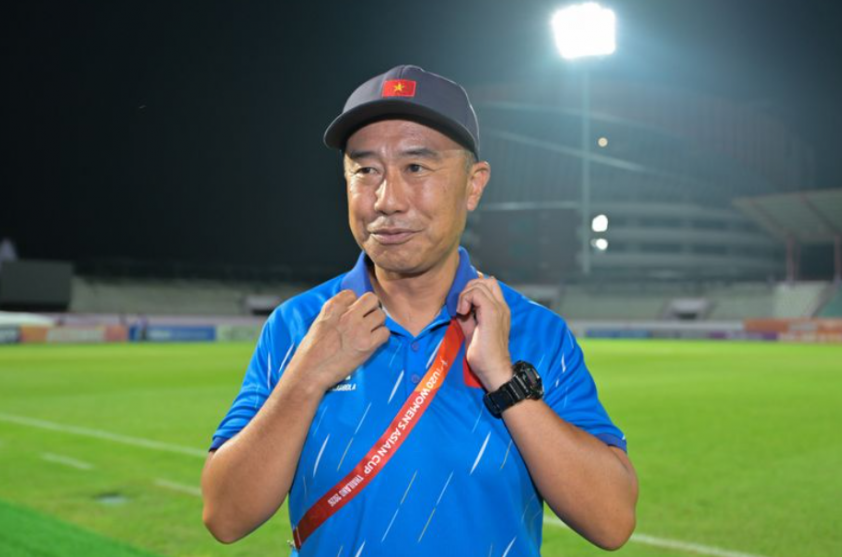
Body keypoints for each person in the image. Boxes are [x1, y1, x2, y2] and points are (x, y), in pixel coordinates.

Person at [201, 65, 638, 556]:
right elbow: (226, 516)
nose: (387, 200)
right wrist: (305, 379)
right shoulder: (298, 325)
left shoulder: (536, 332)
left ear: (474, 185)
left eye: (416, 168)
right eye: (365, 170)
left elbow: (611, 521)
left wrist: (503, 378)